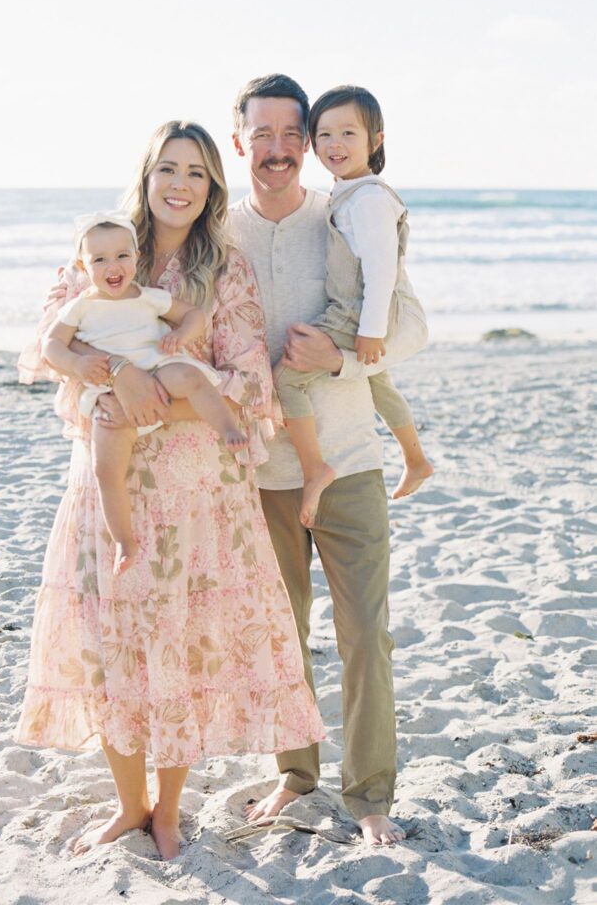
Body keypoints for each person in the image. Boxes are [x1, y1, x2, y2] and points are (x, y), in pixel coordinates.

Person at [15, 120, 324, 860]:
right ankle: (130, 804)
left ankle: (169, 810)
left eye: (195, 172)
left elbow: (250, 381)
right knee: (112, 643)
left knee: (179, 647)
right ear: (147, 176)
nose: (180, 184)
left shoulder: (223, 270)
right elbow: (46, 351)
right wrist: (116, 374)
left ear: (211, 186)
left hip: (196, 488)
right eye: (168, 169)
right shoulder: (99, 251)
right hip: (110, 483)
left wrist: (153, 397)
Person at [228, 74, 406, 846]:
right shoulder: (218, 231)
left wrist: (339, 360)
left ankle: (369, 793)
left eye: (289, 134)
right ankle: (295, 774)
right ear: (238, 142)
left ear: (306, 141)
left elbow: (409, 326)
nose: (277, 149)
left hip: (350, 461)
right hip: (262, 473)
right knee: (281, 632)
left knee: (365, 633)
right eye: (260, 134)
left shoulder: (344, 213)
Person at [43, 210, 247, 573]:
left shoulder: (148, 297)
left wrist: (181, 335)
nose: (113, 266)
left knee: (191, 376)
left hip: (158, 369)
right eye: (99, 260)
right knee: (106, 470)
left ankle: (228, 428)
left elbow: (195, 316)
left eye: (122, 255)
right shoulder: (80, 307)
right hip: (111, 393)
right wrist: (76, 365)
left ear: (136, 257)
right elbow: (51, 346)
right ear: (83, 266)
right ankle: (124, 541)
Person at [273, 84, 433, 526]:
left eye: (348, 133)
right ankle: (416, 459)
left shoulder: (369, 199)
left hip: (356, 313)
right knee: (379, 384)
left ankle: (314, 469)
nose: (335, 144)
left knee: (286, 379)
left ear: (375, 141)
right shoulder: (348, 192)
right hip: (358, 311)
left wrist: (370, 331)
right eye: (324, 134)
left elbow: (382, 272)